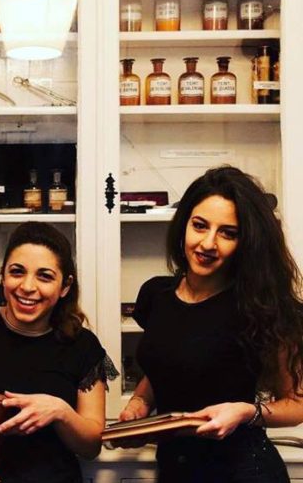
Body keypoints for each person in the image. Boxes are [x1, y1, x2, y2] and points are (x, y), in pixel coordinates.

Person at [119, 165, 303, 482]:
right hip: (175, 469)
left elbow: (297, 404)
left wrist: (246, 412)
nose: (207, 243)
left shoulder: (263, 306)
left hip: (244, 471)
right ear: (183, 225)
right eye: (200, 226)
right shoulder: (155, 294)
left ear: (246, 242)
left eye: (228, 233)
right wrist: (139, 404)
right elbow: (167, 361)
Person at [0, 221, 117, 482]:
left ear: (65, 286)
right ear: (3, 275)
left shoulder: (82, 346)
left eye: (44, 276)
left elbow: (91, 445)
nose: (27, 286)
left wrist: (60, 411)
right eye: (17, 272)